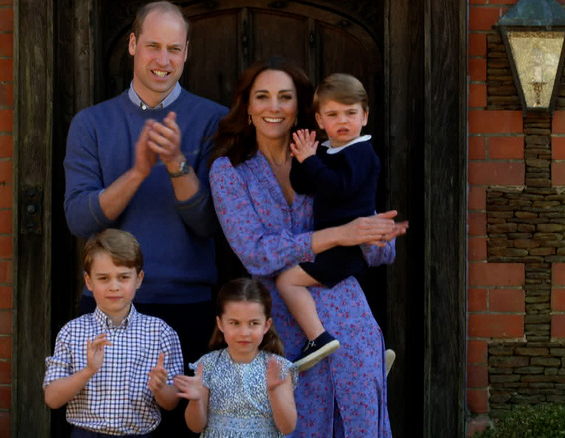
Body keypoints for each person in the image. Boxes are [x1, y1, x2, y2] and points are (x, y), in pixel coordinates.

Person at [209, 57, 407, 437]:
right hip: (279, 325)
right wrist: (337, 235)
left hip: (349, 317)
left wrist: (377, 235)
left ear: (299, 108)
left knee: (358, 425)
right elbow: (255, 252)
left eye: (285, 97)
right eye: (262, 97)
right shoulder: (230, 171)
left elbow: (372, 242)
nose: (274, 107)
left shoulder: (329, 157)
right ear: (247, 107)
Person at [63, 2, 228, 435]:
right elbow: (80, 220)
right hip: (109, 309)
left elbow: (212, 223)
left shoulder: (214, 121)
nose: (163, 60)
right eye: (153, 46)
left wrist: (175, 163)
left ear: (187, 52)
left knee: (183, 431)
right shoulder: (91, 124)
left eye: (174, 48)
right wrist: (137, 172)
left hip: (188, 308)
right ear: (133, 45)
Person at [275, 73, 382, 371]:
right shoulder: (329, 150)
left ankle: (317, 338)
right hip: (332, 244)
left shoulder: (361, 153)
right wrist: (302, 157)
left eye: (351, 113)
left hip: (346, 248)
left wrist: (311, 160)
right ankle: (365, 355)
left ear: (365, 116)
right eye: (333, 115)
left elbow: (338, 188)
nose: (343, 121)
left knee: (287, 280)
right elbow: (305, 185)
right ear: (320, 121)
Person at [43, 229, 184, 437]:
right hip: (87, 433)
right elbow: (52, 399)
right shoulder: (72, 332)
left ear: (138, 279)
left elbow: (172, 403)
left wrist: (160, 388)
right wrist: (88, 371)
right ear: (89, 281)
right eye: (103, 278)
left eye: (123, 277)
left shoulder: (161, 333)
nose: (114, 286)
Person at [174, 278, 297, 437]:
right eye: (235, 323)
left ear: (266, 325)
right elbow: (195, 426)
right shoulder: (208, 365)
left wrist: (274, 392)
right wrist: (196, 400)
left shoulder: (278, 367)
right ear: (220, 324)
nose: (244, 332)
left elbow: (287, 427)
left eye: (253, 323)